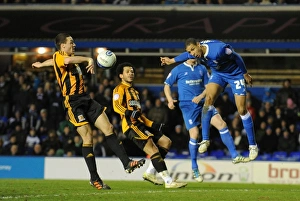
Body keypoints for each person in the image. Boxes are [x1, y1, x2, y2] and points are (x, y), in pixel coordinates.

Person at [32, 33, 145, 190]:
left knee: (109, 128)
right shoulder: (61, 55)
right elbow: (65, 60)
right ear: (62, 46)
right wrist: (89, 59)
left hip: (86, 99)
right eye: (71, 43)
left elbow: (56, 63)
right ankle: (94, 178)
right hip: (72, 102)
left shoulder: (62, 58)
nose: (74, 45)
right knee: (88, 136)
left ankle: (127, 163)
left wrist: (42, 64)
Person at [160, 38, 259, 161]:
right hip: (218, 74)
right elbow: (186, 55)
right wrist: (171, 60)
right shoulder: (194, 52)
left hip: (235, 75)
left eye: (192, 50)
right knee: (208, 100)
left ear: (198, 45)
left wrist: (245, 74)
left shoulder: (219, 50)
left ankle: (253, 145)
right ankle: (205, 140)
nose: (192, 54)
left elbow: (236, 56)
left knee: (242, 110)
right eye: (189, 52)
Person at [164, 59, 250, 182]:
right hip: (187, 105)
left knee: (222, 124)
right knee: (194, 134)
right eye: (191, 53)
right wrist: (170, 100)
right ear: (188, 53)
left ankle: (235, 155)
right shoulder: (178, 69)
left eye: (195, 54)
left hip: (203, 102)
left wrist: (200, 96)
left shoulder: (202, 68)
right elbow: (167, 85)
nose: (194, 56)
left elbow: (208, 87)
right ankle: (194, 168)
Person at [112, 62, 187, 188]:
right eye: (127, 71)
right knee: (153, 149)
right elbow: (116, 106)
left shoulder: (135, 92)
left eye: (132, 71)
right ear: (121, 75)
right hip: (131, 126)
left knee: (166, 142)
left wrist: (154, 124)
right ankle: (168, 181)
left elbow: (139, 115)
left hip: (141, 124)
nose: (131, 73)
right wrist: (128, 112)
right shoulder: (119, 89)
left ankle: (150, 172)